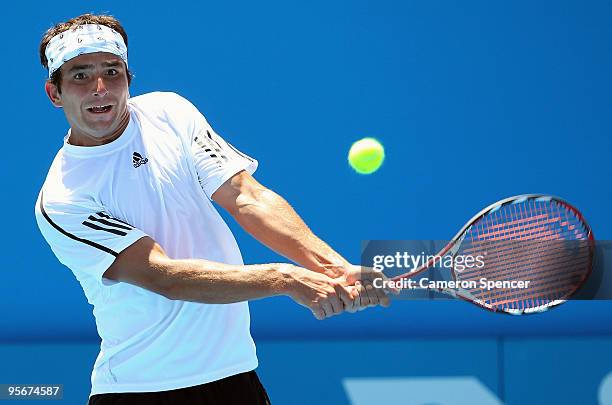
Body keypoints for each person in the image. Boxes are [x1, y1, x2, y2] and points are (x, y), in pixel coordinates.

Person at [34, 13, 394, 405]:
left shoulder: (170, 113)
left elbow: (246, 197)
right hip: (142, 391)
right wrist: (286, 278)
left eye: (113, 71)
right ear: (55, 92)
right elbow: (163, 276)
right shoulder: (63, 198)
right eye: (81, 76)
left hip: (235, 379)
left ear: (129, 78)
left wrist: (332, 267)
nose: (100, 88)